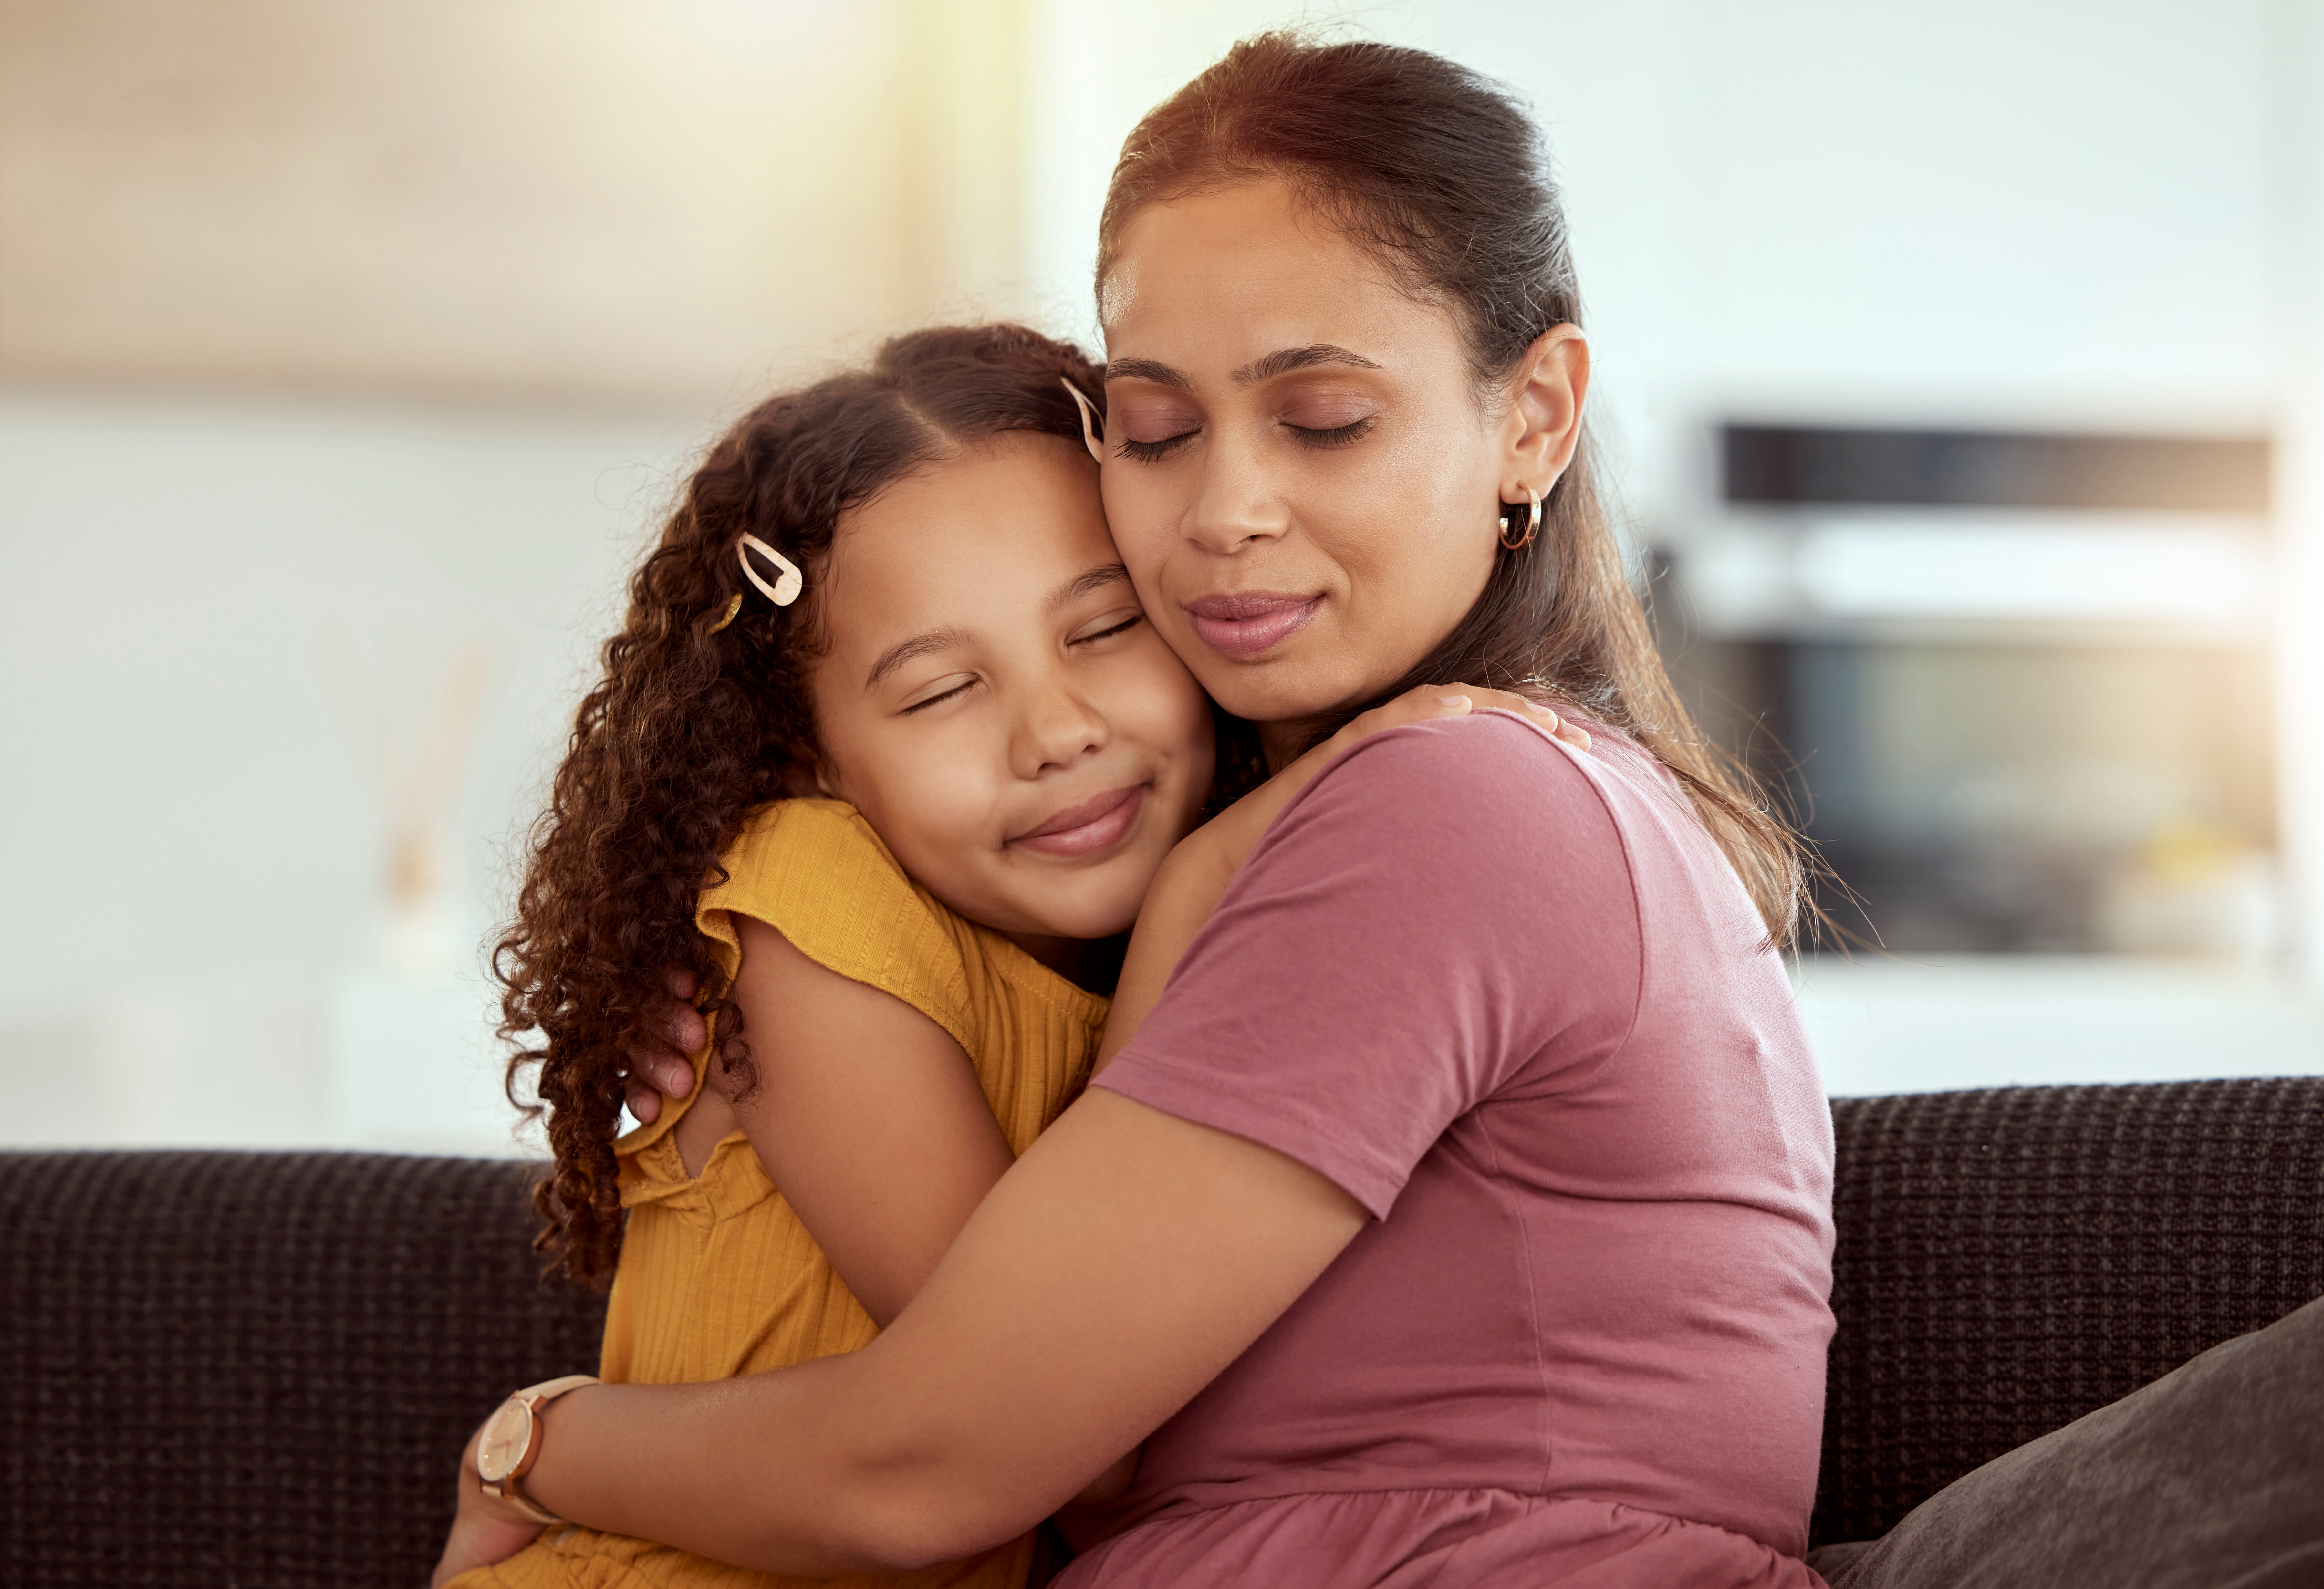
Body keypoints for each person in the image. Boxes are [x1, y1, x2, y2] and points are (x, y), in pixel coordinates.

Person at [437, 34, 1834, 1589]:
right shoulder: (1363, 821)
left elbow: (940, 1459)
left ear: (1532, 415)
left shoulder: (1456, 799)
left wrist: (537, 1445)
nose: (1222, 512)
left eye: (1319, 418)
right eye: (1158, 433)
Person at [453, 321, 1565, 1589]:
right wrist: (1227, 854)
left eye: (1102, 631)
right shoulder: (805, 899)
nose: (1055, 732)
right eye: (938, 693)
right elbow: (1058, 1429)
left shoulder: (1222, 957)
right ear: (805, 754)